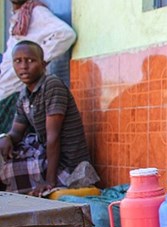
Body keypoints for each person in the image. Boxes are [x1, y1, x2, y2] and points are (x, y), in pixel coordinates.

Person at [0, 40, 98, 196]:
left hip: (66, 165)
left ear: (43, 64)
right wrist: (5, 138)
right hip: (45, 156)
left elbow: (54, 136)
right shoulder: (24, 95)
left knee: (5, 174)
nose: (24, 66)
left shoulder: (51, 85)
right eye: (18, 61)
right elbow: (16, 133)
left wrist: (50, 182)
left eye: (30, 60)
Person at [0, 0, 76, 134]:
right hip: (5, 92)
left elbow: (66, 35)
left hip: (15, 95)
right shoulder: (18, 17)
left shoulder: (36, 12)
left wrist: (38, 61)